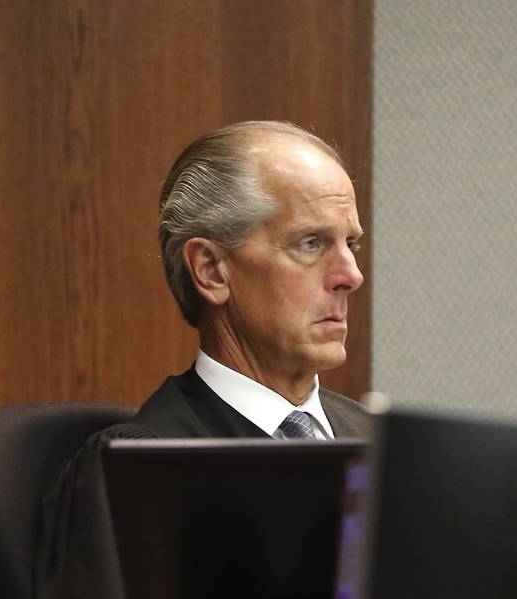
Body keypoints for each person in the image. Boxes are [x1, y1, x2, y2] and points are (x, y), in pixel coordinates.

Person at [34, 121, 372, 599]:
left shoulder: (381, 445)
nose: (350, 275)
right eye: (311, 243)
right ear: (212, 271)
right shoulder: (138, 472)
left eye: (351, 243)